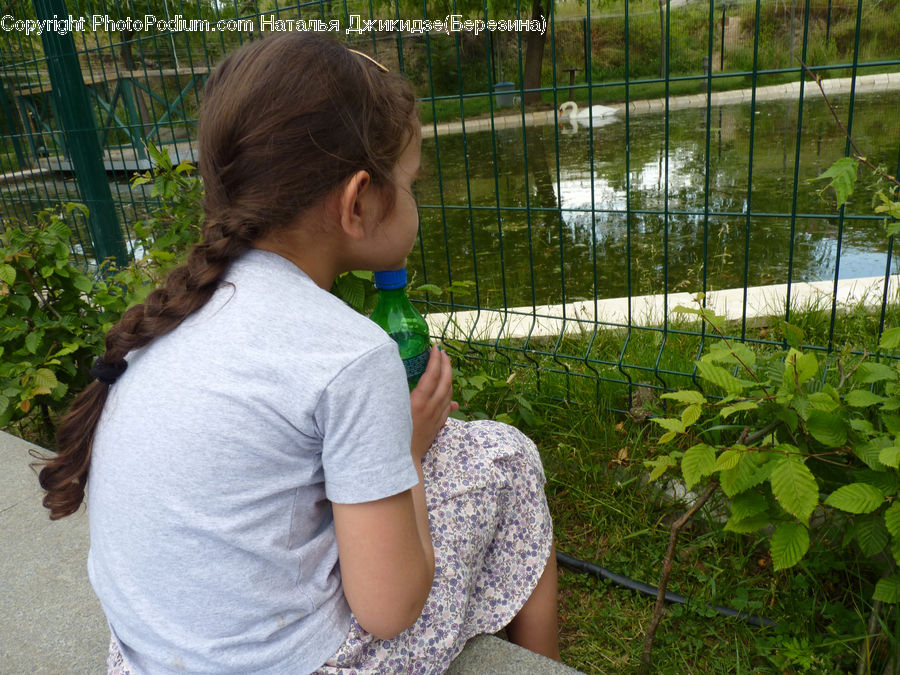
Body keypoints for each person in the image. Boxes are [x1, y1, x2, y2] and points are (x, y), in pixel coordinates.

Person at [38, 32, 559, 674]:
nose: (415, 198)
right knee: (505, 457)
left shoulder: (173, 313)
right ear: (359, 201)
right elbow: (388, 611)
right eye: (412, 181)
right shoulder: (349, 353)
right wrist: (408, 455)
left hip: (147, 657)